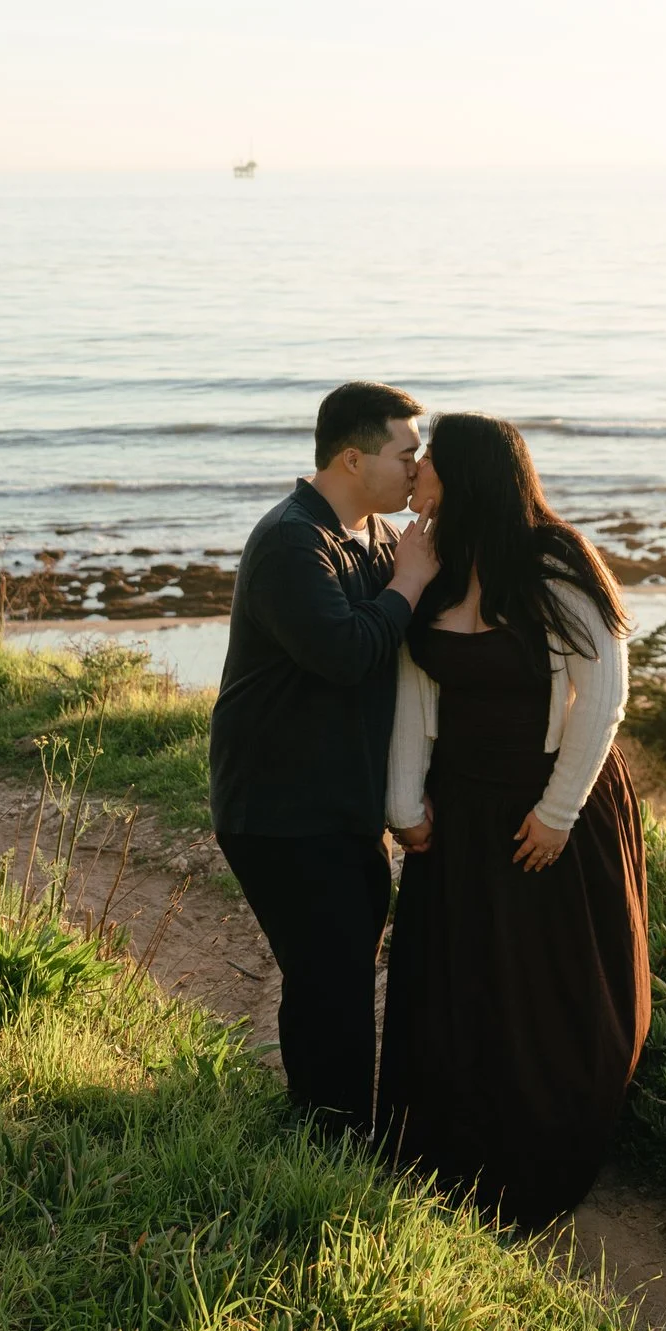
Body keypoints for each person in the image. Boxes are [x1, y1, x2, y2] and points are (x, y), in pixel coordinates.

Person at [376, 411, 649, 1226]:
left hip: (550, 804)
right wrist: (401, 804)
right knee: (459, 984)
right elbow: (412, 691)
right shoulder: (432, 559)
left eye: (428, 463)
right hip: (457, 808)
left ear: (466, 477)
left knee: (547, 987)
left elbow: (604, 695)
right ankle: (449, 1157)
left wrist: (558, 812)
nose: (415, 471)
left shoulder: (555, 562)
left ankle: (543, 1144)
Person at [210, 380, 438, 1137]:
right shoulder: (290, 541)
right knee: (330, 978)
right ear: (352, 456)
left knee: (335, 973)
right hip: (280, 808)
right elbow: (346, 653)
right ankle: (330, 1145)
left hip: (337, 802)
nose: (419, 463)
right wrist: (409, 580)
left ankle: (327, 1130)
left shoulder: (372, 533)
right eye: (408, 450)